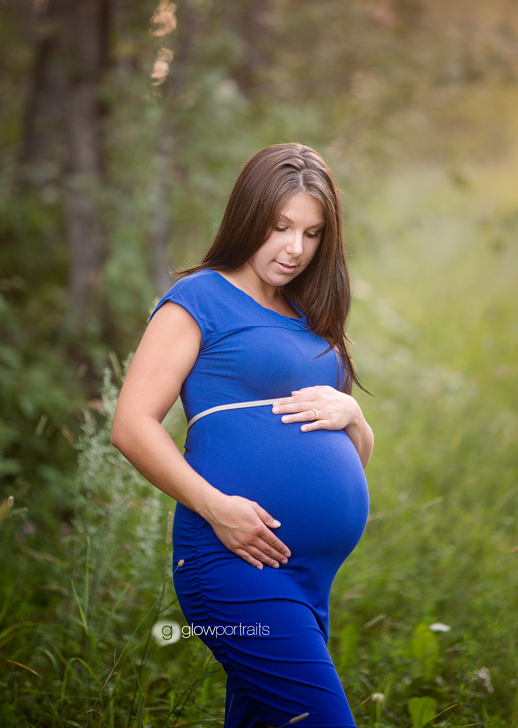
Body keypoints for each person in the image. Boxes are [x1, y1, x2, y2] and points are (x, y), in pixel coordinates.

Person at [111, 142, 373, 728]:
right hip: (234, 564)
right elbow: (130, 426)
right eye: (280, 227)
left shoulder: (307, 317)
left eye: (311, 233)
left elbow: (354, 459)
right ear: (248, 216)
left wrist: (354, 417)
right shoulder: (198, 299)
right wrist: (219, 508)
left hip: (308, 576)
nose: (294, 249)